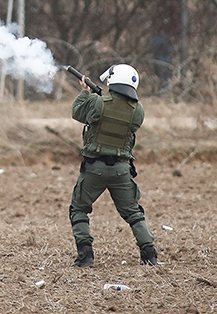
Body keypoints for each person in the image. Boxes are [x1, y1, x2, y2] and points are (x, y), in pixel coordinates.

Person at [68, 64, 158, 268]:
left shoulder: (97, 102)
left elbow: (77, 113)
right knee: (133, 212)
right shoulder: (138, 110)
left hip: (94, 168)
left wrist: (85, 93)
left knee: (78, 209)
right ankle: (149, 254)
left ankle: (85, 256)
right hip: (121, 170)